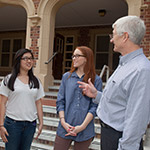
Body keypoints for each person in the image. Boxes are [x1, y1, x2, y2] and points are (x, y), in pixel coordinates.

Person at [78, 16, 150, 150]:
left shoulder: (141, 70)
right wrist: (96, 95)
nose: (111, 39)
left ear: (125, 37)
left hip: (120, 139)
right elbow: (120, 101)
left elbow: (137, 118)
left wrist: (126, 147)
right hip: (109, 135)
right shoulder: (125, 63)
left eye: (114, 34)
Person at [54, 46, 102, 150]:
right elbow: (60, 101)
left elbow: (95, 106)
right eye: (73, 56)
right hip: (65, 127)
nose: (74, 58)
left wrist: (82, 126)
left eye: (77, 56)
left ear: (86, 58)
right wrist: (63, 122)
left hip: (85, 130)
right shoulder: (67, 77)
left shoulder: (96, 80)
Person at [0, 48, 45, 150]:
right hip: (13, 124)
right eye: (25, 58)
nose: (29, 61)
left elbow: (38, 103)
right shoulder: (9, 79)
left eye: (31, 58)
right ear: (18, 60)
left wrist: (41, 122)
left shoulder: (36, 81)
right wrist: (1, 125)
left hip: (30, 125)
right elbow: (2, 103)